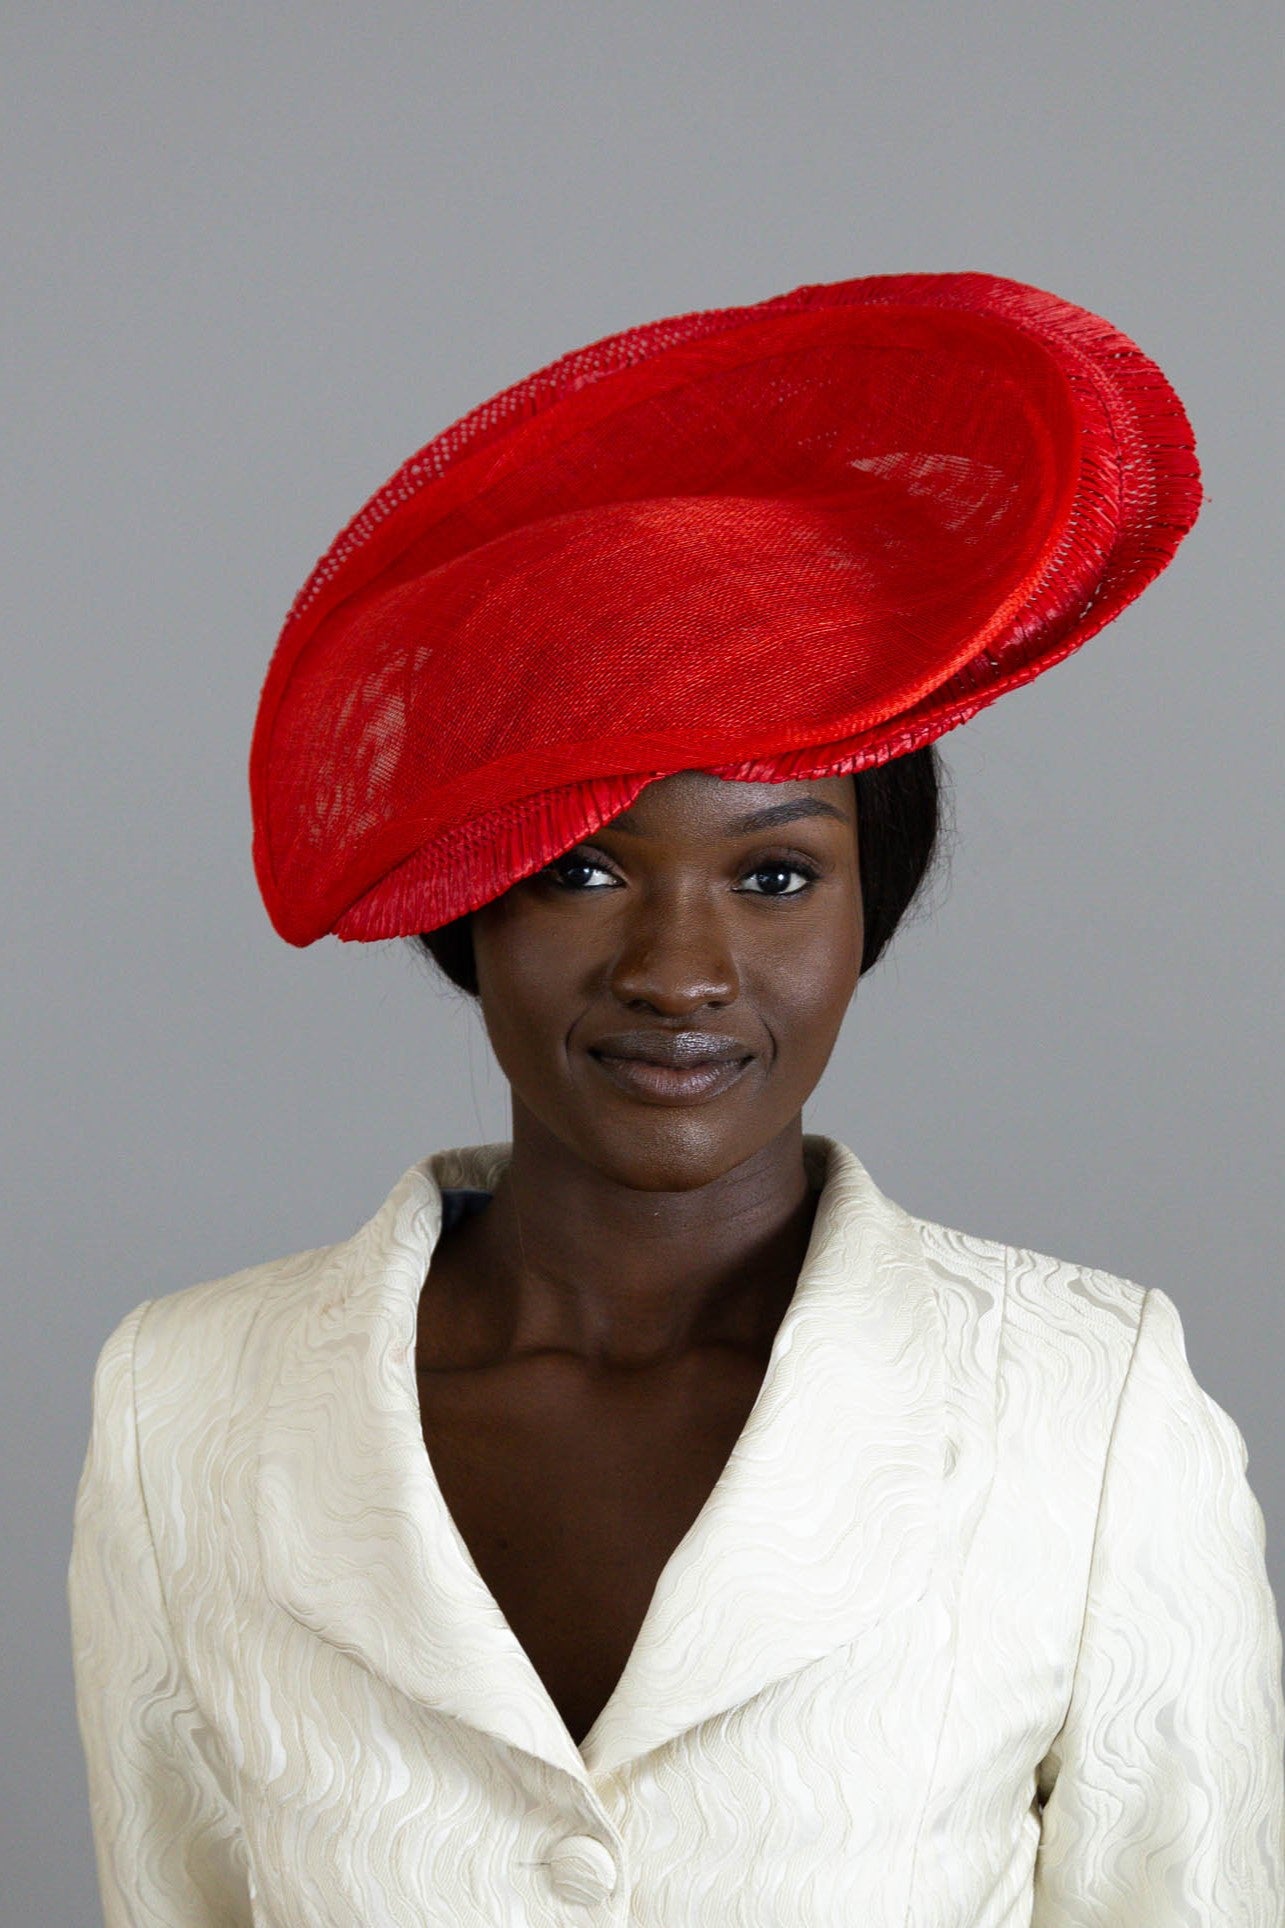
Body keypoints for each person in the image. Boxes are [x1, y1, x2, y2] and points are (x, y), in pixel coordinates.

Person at [69, 272, 1285, 1924]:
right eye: (580, 869)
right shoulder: (183, 1408)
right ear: (469, 905)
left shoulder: (1090, 1408)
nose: (681, 968)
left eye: (776, 874)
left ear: (873, 909)